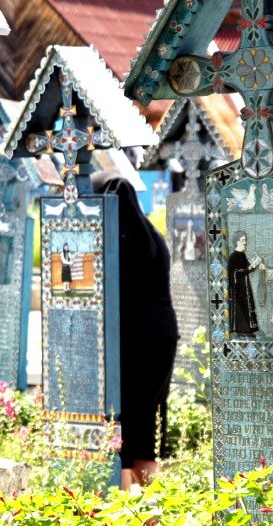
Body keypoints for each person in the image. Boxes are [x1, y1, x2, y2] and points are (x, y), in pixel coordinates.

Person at [92, 172, 178, 489]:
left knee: (126, 422)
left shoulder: (120, 240)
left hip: (135, 338)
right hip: (163, 336)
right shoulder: (150, 235)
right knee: (146, 424)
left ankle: (127, 510)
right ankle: (152, 509)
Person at [228, 231, 262, 337]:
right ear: (237, 242)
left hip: (245, 286)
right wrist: (249, 268)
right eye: (243, 241)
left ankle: (248, 329)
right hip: (238, 288)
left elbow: (248, 268)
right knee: (241, 308)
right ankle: (241, 330)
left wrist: (256, 262)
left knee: (248, 306)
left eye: (245, 240)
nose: (245, 243)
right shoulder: (233, 257)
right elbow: (235, 273)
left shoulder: (242, 255)